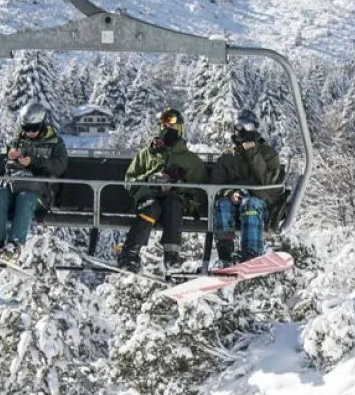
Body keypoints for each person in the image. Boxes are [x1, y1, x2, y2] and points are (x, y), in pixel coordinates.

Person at [116, 107, 207, 273]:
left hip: (175, 200)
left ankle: (172, 259)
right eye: (164, 125)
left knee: (172, 203)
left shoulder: (189, 159)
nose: (167, 128)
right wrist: (148, 181)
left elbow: (200, 189)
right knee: (151, 206)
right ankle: (130, 253)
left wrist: (177, 184)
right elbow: (129, 181)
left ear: (179, 128)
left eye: (171, 125)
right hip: (149, 198)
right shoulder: (147, 154)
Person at [0, 102, 68, 257]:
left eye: (34, 128)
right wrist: (10, 160)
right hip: (14, 186)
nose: (30, 132)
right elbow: (2, 167)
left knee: (25, 197)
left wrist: (34, 162)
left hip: (40, 194)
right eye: (26, 128)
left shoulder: (55, 143)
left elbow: (59, 166)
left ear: (42, 124)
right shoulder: (15, 141)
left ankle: (14, 245)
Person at [210, 110, 283, 266]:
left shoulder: (268, 154)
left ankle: (251, 252)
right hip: (234, 205)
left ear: (255, 128)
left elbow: (268, 182)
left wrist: (252, 153)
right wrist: (229, 193)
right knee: (222, 204)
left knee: (249, 204)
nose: (244, 131)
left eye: (248, 126)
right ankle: (225, 255)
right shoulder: (228, 157)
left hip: (261, 203)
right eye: (240, 126)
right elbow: (216, 183)